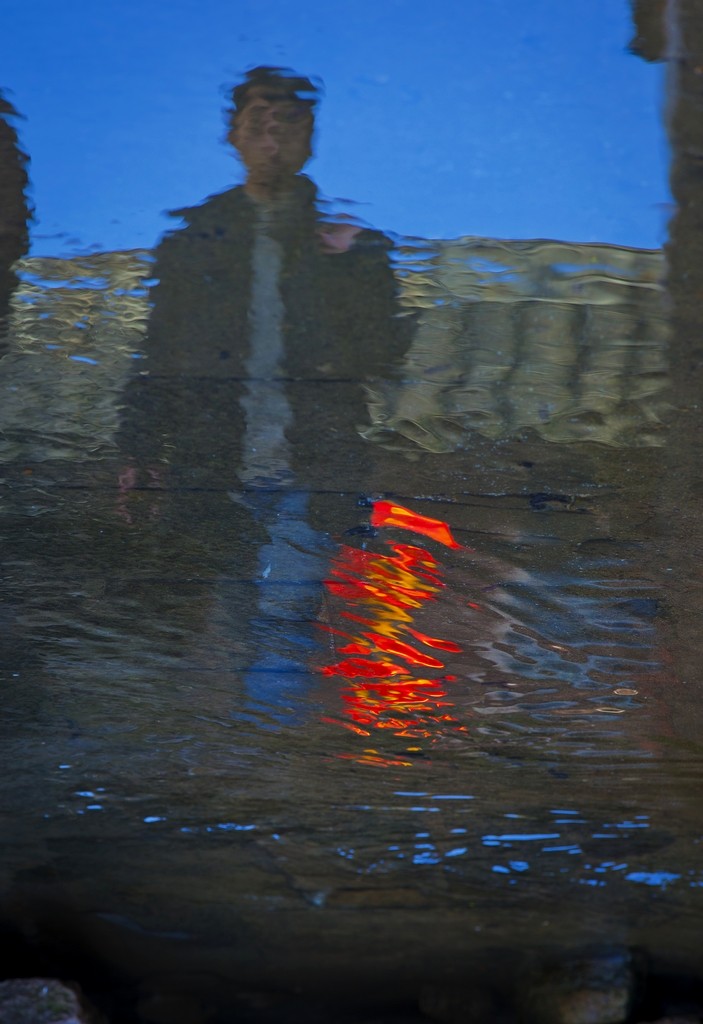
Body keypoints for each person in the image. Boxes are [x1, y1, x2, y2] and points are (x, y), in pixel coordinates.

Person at [115, 66, 413, 723]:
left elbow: (382, 359)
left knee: (285, 612)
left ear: (311, 137)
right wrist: (136, 448)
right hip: (212, 461)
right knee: (223, 607)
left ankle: (265, 743)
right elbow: (158, 353)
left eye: (291, 120)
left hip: (310, 462)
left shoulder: (352, 247)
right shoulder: (193, 241)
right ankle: (237, 742)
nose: (274, 134)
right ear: (234, 135)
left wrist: (351, 273)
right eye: (259, 120)